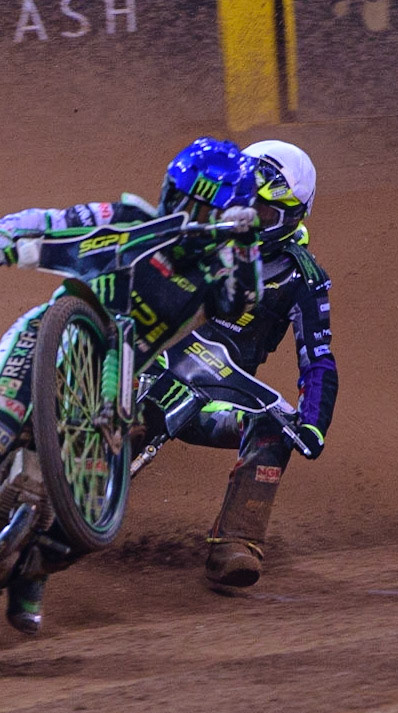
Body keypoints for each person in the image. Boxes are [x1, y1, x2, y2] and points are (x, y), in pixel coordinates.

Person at [0, 138, 264, 635]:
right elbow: (54, 222)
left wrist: (244, 241)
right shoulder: (127, 216)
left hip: (113, 386)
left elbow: (242, 302)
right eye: (183, 199)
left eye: (205, 210)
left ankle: (30, 574)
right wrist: (4, 235)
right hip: (47, 342)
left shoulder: (220, 269)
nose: (190, 216)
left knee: (91, 507)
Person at [147, 140, 336, 589]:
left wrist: (312, 423)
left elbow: (319, 360)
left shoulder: (301, 276)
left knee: (275, 424)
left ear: (291, 217)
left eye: (265, 213)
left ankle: (236, 543)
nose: (249, 219)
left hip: (214, 395)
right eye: (245, 204)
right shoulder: (191, 234)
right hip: (144, 360)